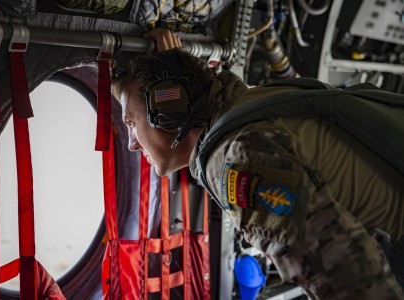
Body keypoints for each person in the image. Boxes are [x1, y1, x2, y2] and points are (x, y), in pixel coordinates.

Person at [112, 29, 404, 299]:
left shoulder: (233, 157)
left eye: (130, 123)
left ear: (166, 109)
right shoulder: (257, 106)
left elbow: (345, 272)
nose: (131, 143)